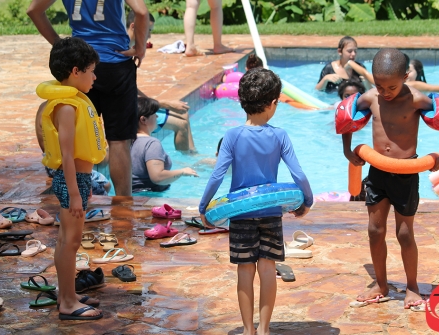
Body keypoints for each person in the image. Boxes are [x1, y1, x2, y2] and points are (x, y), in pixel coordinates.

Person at [198, 68, 313, 335]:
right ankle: (264, 329)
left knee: (245, 271)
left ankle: (248, 330)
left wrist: (205, 208)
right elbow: (298, 173)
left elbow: (217, 175)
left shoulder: (232, 136)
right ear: (273, 103)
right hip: (271, 213)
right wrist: (306, 200)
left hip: (240, 215)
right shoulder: (279, 135)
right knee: (268, 269)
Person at [342, 48, 439, 309]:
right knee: (374, 230)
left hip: (405, 173)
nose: (385, 92)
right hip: (378, 171)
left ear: (406, 76)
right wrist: (348, 151)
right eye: (379, 85)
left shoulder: (415, 99)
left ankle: (412, 287)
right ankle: (381, 283)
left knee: (404, 233)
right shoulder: (370, 98)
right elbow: (346, 116)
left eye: (391, 86)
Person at [27, 0, 150, 197]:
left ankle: (75, 196)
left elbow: (34, 10)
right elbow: (142, 12)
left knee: (72, 133)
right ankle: (122, 206)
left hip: (79, 66)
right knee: (119, 141)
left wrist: (61, 45)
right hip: (116, 63)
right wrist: (140, 48)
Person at [41, 37, 103, 320]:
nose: (95, 76)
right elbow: (66, 155)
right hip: (71, 179)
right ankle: (66, 302)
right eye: (91, 70)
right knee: (71, 241)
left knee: (67, 238)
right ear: (76, 71)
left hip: (77, 179)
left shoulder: (73, 101)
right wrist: (76, 193)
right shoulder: (66, 107)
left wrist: (82, 187)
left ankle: (69, 293)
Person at [125, 11, 197, 152]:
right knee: (180, 124)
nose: (150, 36)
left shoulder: (130, 51)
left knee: (184, 113)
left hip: (135, 103)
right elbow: (128, 94)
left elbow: (132, 88)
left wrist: (154, 101)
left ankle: (193, 153)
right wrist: (164, 104)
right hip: (130, 110)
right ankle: (187, 162)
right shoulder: (124, 54)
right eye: (148, 31)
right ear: (134, 26)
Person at [35, 102, 111, 195]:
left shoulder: (44, 106)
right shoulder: (67, 109)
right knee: (105, 185)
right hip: (66, 167)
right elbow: (68, 153)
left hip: (51, 165)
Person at [132, 97, 198, 193]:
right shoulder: (152, 144)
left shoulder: (126, 141)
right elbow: (158, 177)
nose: (157, 117)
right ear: (143, 120)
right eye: (155, 114)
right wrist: (182, 172)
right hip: (150, 197)